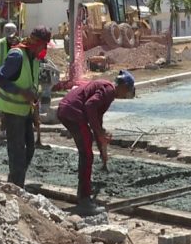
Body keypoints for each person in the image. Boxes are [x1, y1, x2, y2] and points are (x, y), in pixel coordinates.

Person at [57, 70, 137, 215]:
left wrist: (102, 147)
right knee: (87, 155)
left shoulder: (107, 91)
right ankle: (84, 200)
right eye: (127, 91)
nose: (125, 96)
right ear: (123, 86)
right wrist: (100, 132)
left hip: (68, 110)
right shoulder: (109, 90)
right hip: (74, 112)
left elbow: (96, 120)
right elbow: (90, 106)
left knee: (87, 152)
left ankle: (83, 195)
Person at [0, 25, 52, 189]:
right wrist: (21, 92)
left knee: (30, 148)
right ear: (36, 41)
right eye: (44, 44)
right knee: (17, 151)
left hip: (25, 110)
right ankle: (16, 187)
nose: (45, 48)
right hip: (13, 111)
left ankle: (15, 181)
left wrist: (35, 106)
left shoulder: (33, 58)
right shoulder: (16, 56)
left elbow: (32, 84)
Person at [0, 23, 20, 141]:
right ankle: (3, 130)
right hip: (3, 78)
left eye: (12, 36)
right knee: (4, 104)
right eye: (8, 36)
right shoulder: (0, 43)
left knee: (17, 103)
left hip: (19, 77)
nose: (10, 38)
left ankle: (15, 130)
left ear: (16, 33)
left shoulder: (21, 43)